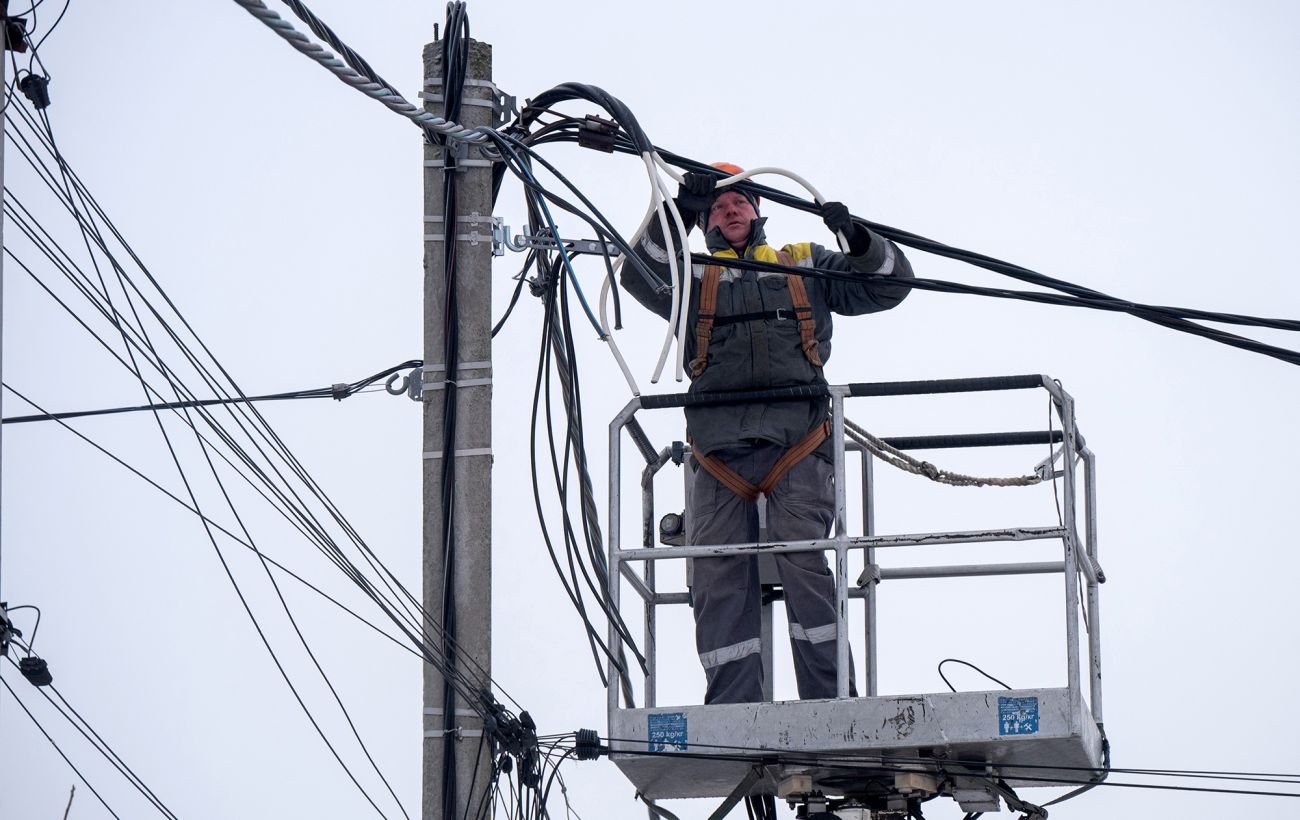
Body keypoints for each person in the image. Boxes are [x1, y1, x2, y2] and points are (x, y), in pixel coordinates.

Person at [620, 163, 915, 705]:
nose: (729, 211)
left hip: (797, 442)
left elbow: (891, 285)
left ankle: (830, 702)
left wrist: (857, 239)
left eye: (740, 203)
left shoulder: (801, 264)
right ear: (707, 220)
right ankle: (732, 712)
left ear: (758, 211)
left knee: (806, 565)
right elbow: (637, 275)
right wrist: (682, 209)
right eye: (718, 207)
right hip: (717, 454)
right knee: (715, 576)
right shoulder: (695, 276)